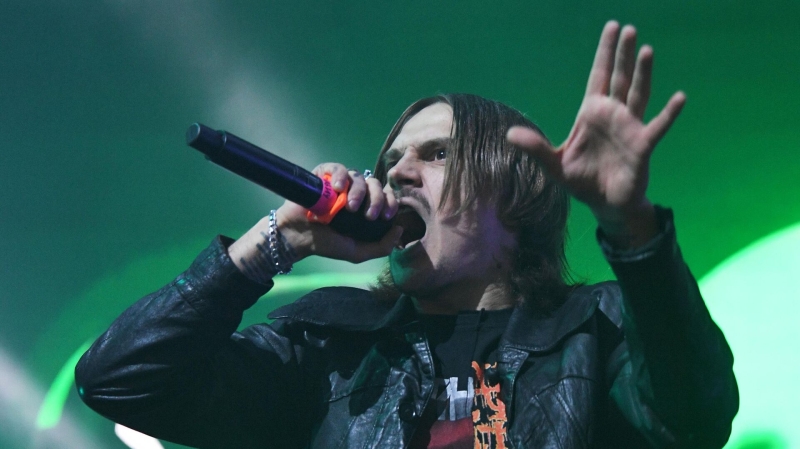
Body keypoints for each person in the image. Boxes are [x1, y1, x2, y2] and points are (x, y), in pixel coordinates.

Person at [75, 22, 738, 448]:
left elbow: (694, 416)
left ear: (515, 191)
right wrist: (278, 240)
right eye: (391, 162)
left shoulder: (599, 328)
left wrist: (630, 225)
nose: (397, 175)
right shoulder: (330, 348)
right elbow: (121, 382)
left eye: (437, 154)